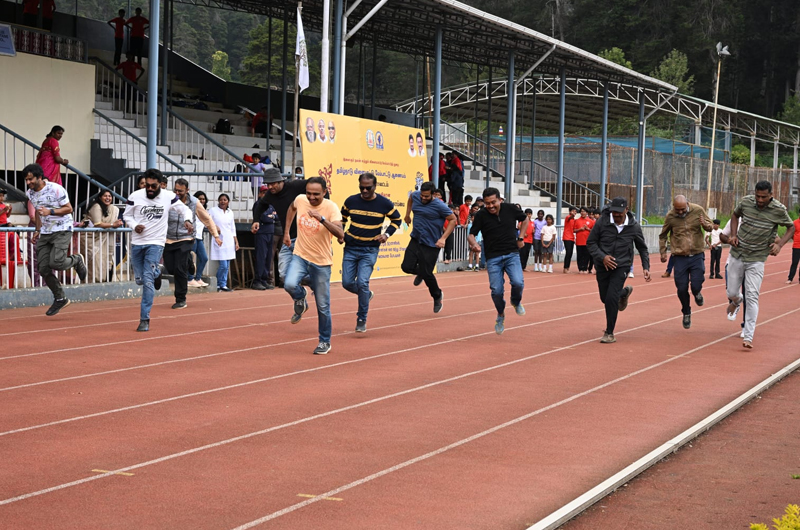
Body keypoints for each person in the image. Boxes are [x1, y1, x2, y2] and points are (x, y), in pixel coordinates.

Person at [726, 181, 795, 348]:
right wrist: (734, 235)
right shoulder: (746, 202)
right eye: (757, 196)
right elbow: (735, 215)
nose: (760, 199)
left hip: (757, 259)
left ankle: (748, 336)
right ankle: (736, 300)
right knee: (732, 292)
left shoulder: (779, 209)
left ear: (771, 195)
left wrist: (780, 245)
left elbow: (791, 227)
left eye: (764, 197)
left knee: (753, 295)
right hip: (738, 254)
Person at [123, 168, 192, 331]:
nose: (150, 189)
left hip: (156, 242)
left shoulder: (168, 197)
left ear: (161, 184)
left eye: (154, 186)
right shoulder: (135, 196)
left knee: (147, 281)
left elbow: (185, 209)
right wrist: (134, 225)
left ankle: (144, 319)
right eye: (147, 186)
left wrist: (188, 221)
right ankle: (157, 272)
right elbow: (126, 216)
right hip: (138, 242)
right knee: (139, 279)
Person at [283, 177, 344, 355]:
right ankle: (300, 297)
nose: (311, 197)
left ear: (324, 192)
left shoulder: (331, 208)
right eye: (309, 193)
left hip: (321, 262)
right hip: (300, 255)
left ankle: (324, 341)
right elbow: (291, 208)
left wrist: (322, 219)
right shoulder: (300, 199)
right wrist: (287, 231)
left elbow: (341, 233)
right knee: (289, 284)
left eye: (316, 194)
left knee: (323, 305)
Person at [340, 172, 402, 332]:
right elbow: (342, 219)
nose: (365, 191)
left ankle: (362, 317)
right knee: (347, 283)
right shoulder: (351, 201)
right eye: (362, 187)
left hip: (370, 249)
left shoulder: (384, 203)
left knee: (362, 282)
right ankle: (365, 295)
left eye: (368, 188)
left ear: (375, 186)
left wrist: (386, 234)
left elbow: (397, 220)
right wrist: (341, 234)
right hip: (351, 247)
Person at [587, 197, 652, 343]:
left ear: (626, 210)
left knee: (611, 298)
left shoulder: (634, 226)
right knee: (605, 298)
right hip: (602, 265)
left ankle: (609, 333)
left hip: (621, 265)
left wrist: (646, 267)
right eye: (614, 214)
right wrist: (602, 257)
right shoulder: (602, 222)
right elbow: (591, 243)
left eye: (619, 214)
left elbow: (642, 248)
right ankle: (624, 293)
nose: (616, 217)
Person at [24, 163, 87, 314]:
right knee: (43, 268)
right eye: (26, 180)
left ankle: (76, 260)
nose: (28, 183)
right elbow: (39, 213)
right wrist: (37, 230)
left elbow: (69, 208)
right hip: (45, 232)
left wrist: (50, 211)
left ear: (39, 177)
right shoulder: (30, 193)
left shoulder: (56, 189)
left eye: (31, 179)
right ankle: (60, 298)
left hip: (62, 229)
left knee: (57, 262)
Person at [468, 187, 528, 334]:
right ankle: (500, 314)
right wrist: (474, 244)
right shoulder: (481, 215)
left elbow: (525, 219)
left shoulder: (511, 209)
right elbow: (471, 234)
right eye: (487, 203)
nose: (491, 206)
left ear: (499, 200)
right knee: (496, 291)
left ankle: (515, 301)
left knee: (518, 282)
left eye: (493, 202)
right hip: (493, 257)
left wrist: (521, 237)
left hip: (511, 254)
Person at [252, 168, 320, 288]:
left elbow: (318, 183)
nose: (270, 187)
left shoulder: (295, 186)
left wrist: (322, 204)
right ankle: (302, 293)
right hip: (288, 237)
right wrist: (256, 220)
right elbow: (261, 205)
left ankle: (312, 279)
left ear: (280, 181)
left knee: (305, 273)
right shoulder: (270, 195)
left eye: (273, 184)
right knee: (284, 276)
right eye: (268, 184)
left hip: (304, 237)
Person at [658, 195, 713, 329]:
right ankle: (686, 312)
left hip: (696, 254)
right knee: (681, 288)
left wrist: (705, 225)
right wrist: (663, 251)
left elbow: (711, 227)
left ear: (688, 203)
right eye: (678, 210)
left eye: (683, 209)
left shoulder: (698, 210)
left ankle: (697, 292)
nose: (680, 212)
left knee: (696, 284)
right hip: (680, 256)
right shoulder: (671, 216)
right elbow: (663, 235)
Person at [166, 178, 222, 307]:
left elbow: (206, 219)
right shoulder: (169, 199)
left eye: (180, 191)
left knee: (180, 269)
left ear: (187, 190)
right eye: (175, 190)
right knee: (170, 268)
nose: (177, 193)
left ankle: (180, 299)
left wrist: (216, 235)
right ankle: (189, 261)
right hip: (168, 239)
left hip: (186, 238)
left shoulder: (194, 202)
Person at [402, 181, 456, 313]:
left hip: (432, 243)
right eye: (422, 196)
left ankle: (437, 296)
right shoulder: (415, 195)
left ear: (434, 195)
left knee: (427, 273)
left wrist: (443, 239)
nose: (423, 198)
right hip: (416, 238)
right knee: (406, 267)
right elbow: (410, 199)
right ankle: (421, 272)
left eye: (426, 196)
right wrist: (408, 214)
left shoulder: (439, 205)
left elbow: (453, 219)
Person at [85, 190, 123, 282]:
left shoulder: (111, 209)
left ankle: (101, 282)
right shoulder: (96, 206)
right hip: (92, 239)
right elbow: (97, 223)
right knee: (94, 263)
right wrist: (112, 225)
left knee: (103, 263)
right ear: (100, 197)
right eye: (105, 196)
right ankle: (91, 284)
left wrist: (117, 224)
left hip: (104, 239)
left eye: (109, 196)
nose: (108, 198)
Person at [208, 193, 237, 292]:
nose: (223, 201)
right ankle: (217, 284)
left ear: (228, 201)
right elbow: (208, 221)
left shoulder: (230, 212)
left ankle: (223, 284)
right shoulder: (213, 211)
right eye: (221, 199)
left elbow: (233, 228)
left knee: (227, 265)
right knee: (223, 265)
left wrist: (236, 242)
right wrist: (215, 227)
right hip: (219, 239)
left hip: (229, 240)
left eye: (225, 200)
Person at [252, 185, 278, 290]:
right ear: (259, 194)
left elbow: (276, 216)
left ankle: (264, 279)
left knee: (268, 258)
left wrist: (271, 217)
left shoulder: (271, 205)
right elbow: (264, 218)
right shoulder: (258, 204)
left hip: (270, 232)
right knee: (261, 257)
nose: (265, 194)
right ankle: (257, 280)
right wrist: (271, 217)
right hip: (261, 232)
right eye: (263, 192)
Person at [188, 191, 211, 287]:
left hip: (199, 238)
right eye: (200, 199)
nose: (202, 201)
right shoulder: (192, 209)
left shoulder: (205, 211)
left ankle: (198, 278)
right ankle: (189, 279)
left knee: (204, 258)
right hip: (192, 237)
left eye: (203, 199)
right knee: (191, 260)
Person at [574, 207, 594, 273]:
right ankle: (580, 268)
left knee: (586, 255)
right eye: (581, 211)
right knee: (579, 255)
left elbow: (594, 231)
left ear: (587, 213)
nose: (583, 213)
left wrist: (588, 229)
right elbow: (574, 230)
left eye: (584, 211)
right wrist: (580, 229)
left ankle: (585, 268)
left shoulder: (591, 221)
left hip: (587, 241)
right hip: (579, 241)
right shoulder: (577, 221)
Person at [562, 206, 577, 273]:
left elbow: (574, 230)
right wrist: (572, 215)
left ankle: (567, 267)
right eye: (573, 211)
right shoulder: (568, 217)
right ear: (570, 211)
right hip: (566, 237)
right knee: (568, 252)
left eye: (575, 211)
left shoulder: (574, 220)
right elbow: (570, 217)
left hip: (571, 237)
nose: (574, 212)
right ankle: (565, 268)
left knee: (570, 253)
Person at [786, 216, 800, 284]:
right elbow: (790, 232)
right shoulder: (795, 222)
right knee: (794, 262)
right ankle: (790, 278)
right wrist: (795, 238)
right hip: (796, 246)